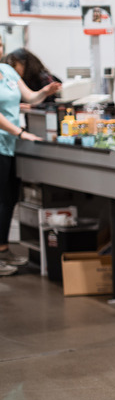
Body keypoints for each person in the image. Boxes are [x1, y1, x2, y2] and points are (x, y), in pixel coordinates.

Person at [0, 58, 61, 276]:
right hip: (5, 140)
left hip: (9, 145)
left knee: (9, 199)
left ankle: (3, 249)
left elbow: (30, 97)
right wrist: (20, 133)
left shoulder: (7, 71)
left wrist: (45, 91)